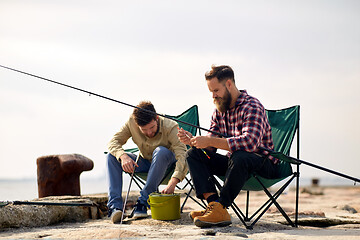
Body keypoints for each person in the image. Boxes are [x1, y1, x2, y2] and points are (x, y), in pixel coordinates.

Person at [178, 65, 281, 228]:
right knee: (194, 154)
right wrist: (195, 141)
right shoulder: (218, 111)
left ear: (229, 84)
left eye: (216, 90)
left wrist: (210, 141)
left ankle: (222, 206)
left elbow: (250, 143)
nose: (213, 96)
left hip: (262, 165)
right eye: (211, 92)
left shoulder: (252, 106)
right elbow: (211, 144)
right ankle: (214, 206)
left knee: (240, 155)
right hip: (235, 165)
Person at [107, 101, 188, 223]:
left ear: (156, 118)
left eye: (152, 127)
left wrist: (174, 180)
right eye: (144, 130)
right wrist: (123, 156)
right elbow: (113, 142)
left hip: (167, 166)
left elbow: (183, 155)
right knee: (112, 157)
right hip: (144, 162)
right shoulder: (131, 122)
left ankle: (143, 203)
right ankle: (115, 208)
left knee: (161, 151)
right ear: (137, 124)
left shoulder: (170, 126)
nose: (149, 133)